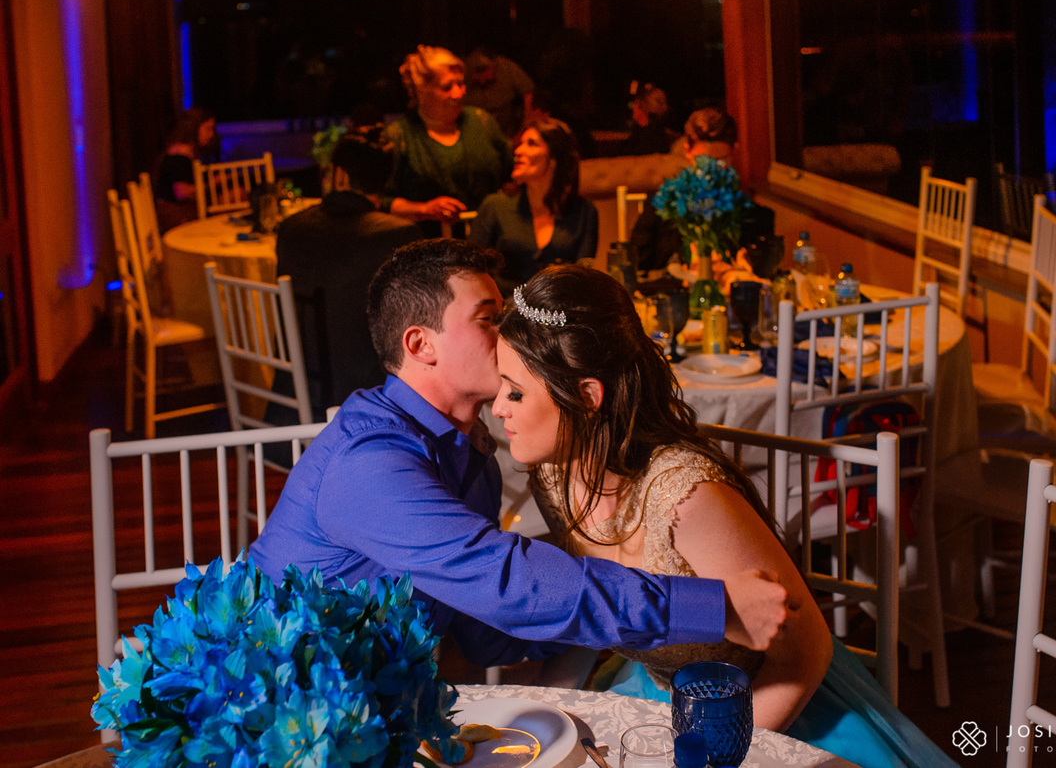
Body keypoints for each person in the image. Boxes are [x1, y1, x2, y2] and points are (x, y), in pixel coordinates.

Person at [248, 238, 793, 671]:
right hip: (270, 710)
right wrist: (709, 607)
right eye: (488, 318)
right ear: (421, 345)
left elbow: (486, 634)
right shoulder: (370, 463)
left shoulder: (470, 453)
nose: (511, 331)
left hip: (366, 705)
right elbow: (507, 583)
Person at [492, 265, 960, 768]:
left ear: (587, 398)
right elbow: (593, 608)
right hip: (657, 700)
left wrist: (707, 755)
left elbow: (804, 654)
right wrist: (548, 711)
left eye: (515, 392)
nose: (498, 407)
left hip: (772, 709)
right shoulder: (553, 475)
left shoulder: (684, 498)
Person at [268, 126, 422, 422]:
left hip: (292, 402)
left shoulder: (291, 228)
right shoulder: (398, 234)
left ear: (338, 175)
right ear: (385, 180)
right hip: (370, 405)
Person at [381, 46, 512, 239]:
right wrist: (424, 209)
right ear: (421, 90)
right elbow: (382, 201)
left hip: (488, 242)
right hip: (427, 246)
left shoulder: (482, 122)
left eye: (461, 84)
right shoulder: (400, 135)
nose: (458, 93)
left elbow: (510, 177)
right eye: (447, 87)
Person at [629, 108, 773, 273]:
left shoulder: (754, 215)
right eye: (703, 161)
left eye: (720, 160)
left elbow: (763, 271)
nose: (710, 171)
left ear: (734, 150)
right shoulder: (661, 204)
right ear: (687, 151)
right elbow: (636, 263)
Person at [469, 118, 598, 297]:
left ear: (555, 157)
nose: (518, 151)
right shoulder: (495, 206)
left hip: (558, 313)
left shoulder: (584, 211)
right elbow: (472, 271)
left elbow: (583, 276)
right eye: (520, 143)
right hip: (505, 313)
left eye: (532, 144)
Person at [153, 107, 217, 230]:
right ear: (193, 128)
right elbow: (181, 192)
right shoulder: (180, 154)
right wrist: (212, 183)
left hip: (178, 210)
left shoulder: (187, 152)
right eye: (208, 129)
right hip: (175, 214)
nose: (211, 134)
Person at [463, 47, 536, 140]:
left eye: (485, 72)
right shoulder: (463, 76)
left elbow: (528, 92)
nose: (482, 82)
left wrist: (524, 128)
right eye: (478, 76)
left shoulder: (507, 68)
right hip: (475, 132)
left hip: (506, 130)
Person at [622, 83, 678, 156]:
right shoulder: (660, 134)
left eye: (635, 104)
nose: (633, 109)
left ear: (641, 106)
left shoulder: (642, 138)